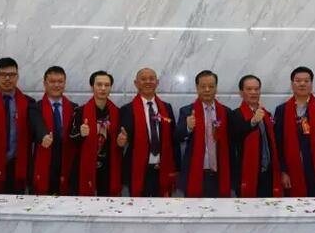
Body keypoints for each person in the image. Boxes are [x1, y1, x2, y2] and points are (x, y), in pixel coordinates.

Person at [0, 57, 50, 194]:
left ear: (17, 77)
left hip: (17, 164)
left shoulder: (28, 101)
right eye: (3, 75)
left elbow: (36, 122)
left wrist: (43, 135)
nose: (7, 78)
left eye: (11, 74)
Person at [120, 68, 180, 197]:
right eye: (143, 79)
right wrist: (120, 141)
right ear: (136, 83)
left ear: (157, 82)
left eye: (151, 79)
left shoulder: (167, 108)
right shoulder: (127, 110)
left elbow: (173, 139)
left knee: (163, 208)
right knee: (138, 208)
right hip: (138, 171)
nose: (148, 82)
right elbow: (121, 141)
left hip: (163, 170)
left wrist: (176, 167)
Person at [274, 66, 315, 197]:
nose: (302, 84)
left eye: (306, 81)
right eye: (298, 80)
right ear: (292, 84)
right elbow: (278, 144)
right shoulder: (281, 110)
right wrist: (283, 171)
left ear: (311, 84)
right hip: (291, 170)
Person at [176, 70, 234, 198]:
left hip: (220, 175)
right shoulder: (187, 111)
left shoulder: (226, 112)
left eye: (211, 86)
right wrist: (188, 127)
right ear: (197, 88)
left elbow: (232, 142)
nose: (207, 90)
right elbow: (177, 138)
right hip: (195, 174)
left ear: (216, 88)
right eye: (203, 86)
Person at [70, 70, 123, 197]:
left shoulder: (118, 112)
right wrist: (81, 134)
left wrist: (122, 141)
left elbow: (120, 142)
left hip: (109, 167)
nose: (103, 88)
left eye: (107, 85)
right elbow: (71, 138)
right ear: (92, 86)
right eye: (99, 84)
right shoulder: (80, 111)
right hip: (85, 166)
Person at [230, 75, 282, 197]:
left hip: (268, 173)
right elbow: (235, 137)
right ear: (241, 92)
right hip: (247, 173)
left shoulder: (266, 114)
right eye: (249, 89)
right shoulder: (235, 114)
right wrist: (252, 121)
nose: (253, 92)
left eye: (256, 89)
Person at [32, 66, 78, 196]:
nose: (56, 85)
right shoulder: (35, 108)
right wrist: (43, 136)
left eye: (60, 81)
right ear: (45, 84)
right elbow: (37, 124)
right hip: (45, 166)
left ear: (64, 83)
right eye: (52, 81)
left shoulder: (74, 108)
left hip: (68, 167)